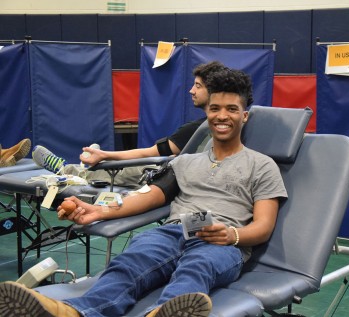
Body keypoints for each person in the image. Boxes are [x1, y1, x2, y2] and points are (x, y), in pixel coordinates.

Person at [0, 68, 288, 317]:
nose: (222, 116)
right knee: (129, 263)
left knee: (197, 267)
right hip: (174, 232)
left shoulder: (262, 165)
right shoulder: (185, 162)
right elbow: (151, 196)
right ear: (207, 113)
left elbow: (264, 226)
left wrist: (231, 235)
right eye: (215, 109)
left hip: (223, 244)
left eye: (231, 109)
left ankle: (165, 312)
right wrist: (98, 210)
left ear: (245, 116)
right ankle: (76, 311)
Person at [31, 61, 227, 186]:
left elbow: (147, 154)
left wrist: (104, 156)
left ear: (214, 92)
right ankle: (92, 160)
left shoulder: (198, 130)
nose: (191, 91)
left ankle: (66, 171)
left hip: (172, 179)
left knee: (134, 167)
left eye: (198, 86)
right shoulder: (232, 127)